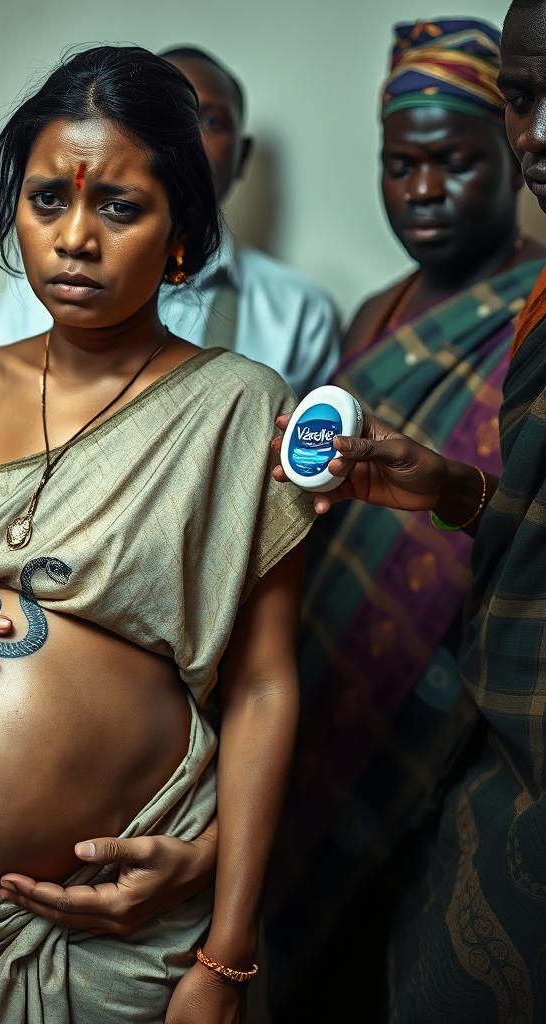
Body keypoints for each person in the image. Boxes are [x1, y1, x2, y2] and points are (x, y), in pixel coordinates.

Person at [0, 46, 314, 1022]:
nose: (73, 239)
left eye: (117, 206)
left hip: (126, 918)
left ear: (180, 232)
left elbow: (269, 683)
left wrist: (226, 954)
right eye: (44, 201)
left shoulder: (237, 407)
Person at [263, 18, 546, 1018]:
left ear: (507, 160)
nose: (421, 190)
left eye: (453, 162)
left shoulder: (528, 309)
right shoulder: (370, 313)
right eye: (398, 165)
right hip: (331, 690)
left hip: (464, 729)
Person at [0, 45, 341, 397]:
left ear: (242, 154)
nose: (73, 241)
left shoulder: (299, 312)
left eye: (210, 121)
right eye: (48, 199)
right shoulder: (45, 280)